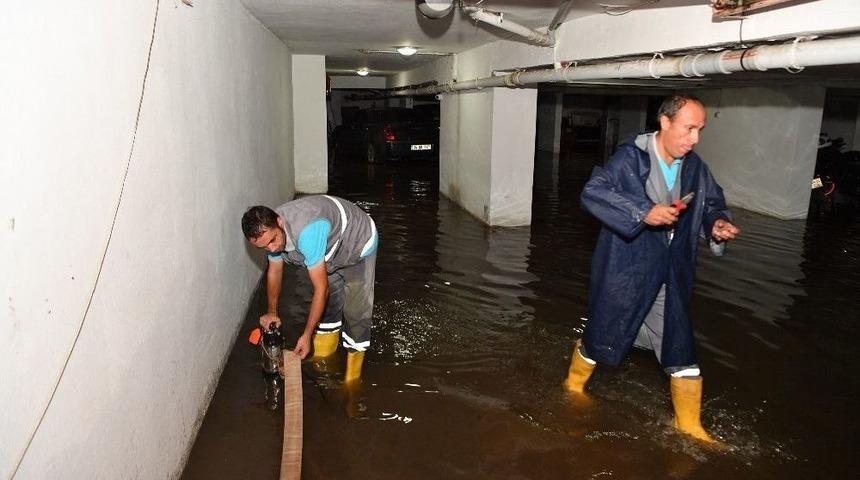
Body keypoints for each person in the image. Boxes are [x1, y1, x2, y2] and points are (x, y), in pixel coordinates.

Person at [564, 94, 739, 443]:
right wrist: (642, 210)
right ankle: (572, 386)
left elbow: (711, 204)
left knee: (680, 342)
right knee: (603, 332)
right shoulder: (630, 158)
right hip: (627, 268)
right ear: (665, 122)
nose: (695, 138)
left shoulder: (696, 168)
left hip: (671, 273)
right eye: (689, 128)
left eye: (700, 130)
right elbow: (593, 192)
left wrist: (716, 223)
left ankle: (688, 425)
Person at [241, 195, 378, 385]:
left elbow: (321, 290)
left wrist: (306, 335)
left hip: (356, 245)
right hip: (328, 251)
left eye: (273, 241)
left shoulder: (307, 232)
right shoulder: (271, 232)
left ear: (279, 222)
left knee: (356, 312)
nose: (271, 248)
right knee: (330, 308)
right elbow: (275, 271)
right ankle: (325, 357)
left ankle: (352, 380)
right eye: (264, 247)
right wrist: (272, 312)